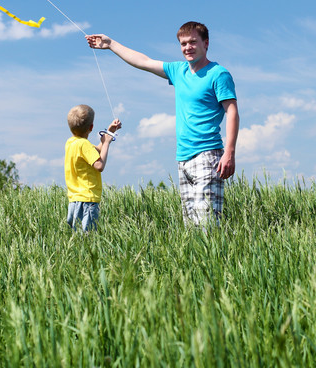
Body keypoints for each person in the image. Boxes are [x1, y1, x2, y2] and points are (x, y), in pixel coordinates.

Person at [86, 21, 238, 226]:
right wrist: (111, 44)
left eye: (193, 42)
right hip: (182, 158)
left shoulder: (218, 74)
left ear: (206, 43)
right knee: (191, 226)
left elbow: (232, 112)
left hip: (208, 155)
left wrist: (229, 153)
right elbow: (144, 61)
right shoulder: (179, 71)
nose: (188, 47)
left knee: (207, 225)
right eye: (183, 44)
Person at [64, 104, 122, 232]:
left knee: (77, 236)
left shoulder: (71, 142)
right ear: (91, 127)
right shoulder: (84, 145)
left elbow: (95, 151)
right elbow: (99, 165)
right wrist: (106, 142)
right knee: (88, 238)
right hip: (87, 199)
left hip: (74, 200)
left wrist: (110, 132)